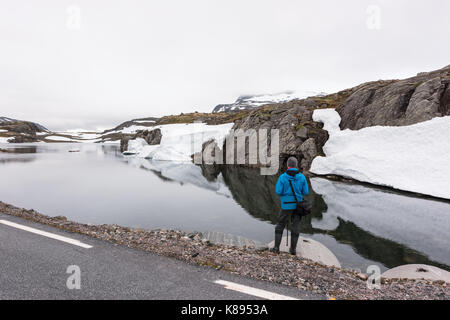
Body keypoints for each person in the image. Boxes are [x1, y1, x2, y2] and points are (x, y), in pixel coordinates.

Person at [271, 156, 309, 255]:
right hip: (298, 206)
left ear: (287, 165)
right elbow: (305, 192)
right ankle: (293, 250)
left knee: (280, 226)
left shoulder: (282, 177)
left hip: (286, 206)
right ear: (296, 166)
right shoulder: (302, 177)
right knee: (295, 226)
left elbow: (278, 192)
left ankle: (276, 248)